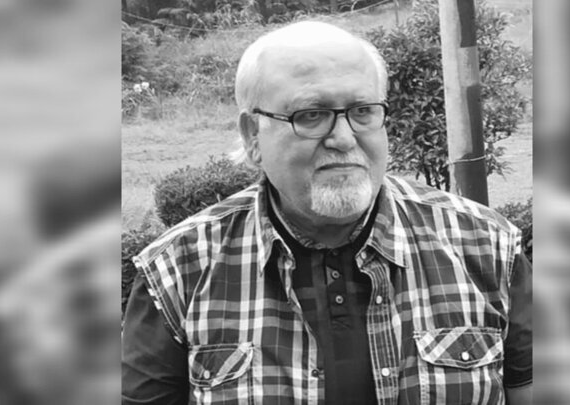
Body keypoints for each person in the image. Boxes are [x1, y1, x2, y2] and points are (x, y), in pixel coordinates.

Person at [122, 21, 532, 405]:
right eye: (311, 115)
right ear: (252, 136)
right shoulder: (179, 270)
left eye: (363, 111)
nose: (343, 138)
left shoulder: (485, 246)